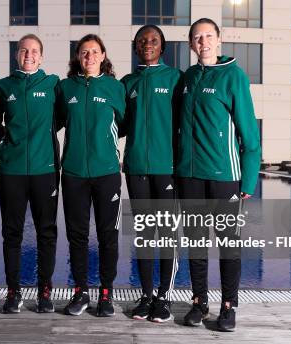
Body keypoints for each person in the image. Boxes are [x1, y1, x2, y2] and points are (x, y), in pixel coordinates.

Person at [175, 18, 261, 332]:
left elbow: (249, 136)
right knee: (196, 243)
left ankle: (228, 306)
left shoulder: (234, 77)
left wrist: (248, 181)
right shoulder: (187, 78)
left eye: (208, 36)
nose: (203, 42)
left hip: (225, 176)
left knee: (228, 245)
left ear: (219, 40)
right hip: (191, 176)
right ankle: (199, 302)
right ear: (190, 44)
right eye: (197, 37)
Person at [56, 34, 126, 317]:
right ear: (77, 57)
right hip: (73, 172)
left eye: (94, 52)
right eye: (84, 52)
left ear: (103, 55)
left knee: (108, 235)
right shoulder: (64, 88)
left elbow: (122, 124)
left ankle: (106, 293)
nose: (89, 56)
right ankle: (81, 291)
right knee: (77, 236)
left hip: (107, 171)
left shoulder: (114, 87)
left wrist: (103, 147)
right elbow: (56, 122)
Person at [121, 24, 183, 323]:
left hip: (167, 170)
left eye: (154, 40)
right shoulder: (127, 82)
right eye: (142, 40)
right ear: (136, 47)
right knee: (145, 236)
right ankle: (146, 296)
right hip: (136, 170)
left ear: (163, 47)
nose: (148, 44)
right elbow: (116, 124)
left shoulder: (175, 79)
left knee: (167, 235)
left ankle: (165, 296)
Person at [0, 34, 60, 314]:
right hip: (12, 171)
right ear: (16, 55)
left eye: (34, 51)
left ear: (41, 56)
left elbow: (64, 117)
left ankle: (45, 290)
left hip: (45, 170)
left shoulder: (53, 84)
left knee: (46, 233)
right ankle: (14, 291)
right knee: (12, 234)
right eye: (23, 50)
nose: (29, 55)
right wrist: (10, 140)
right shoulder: (2, 86)